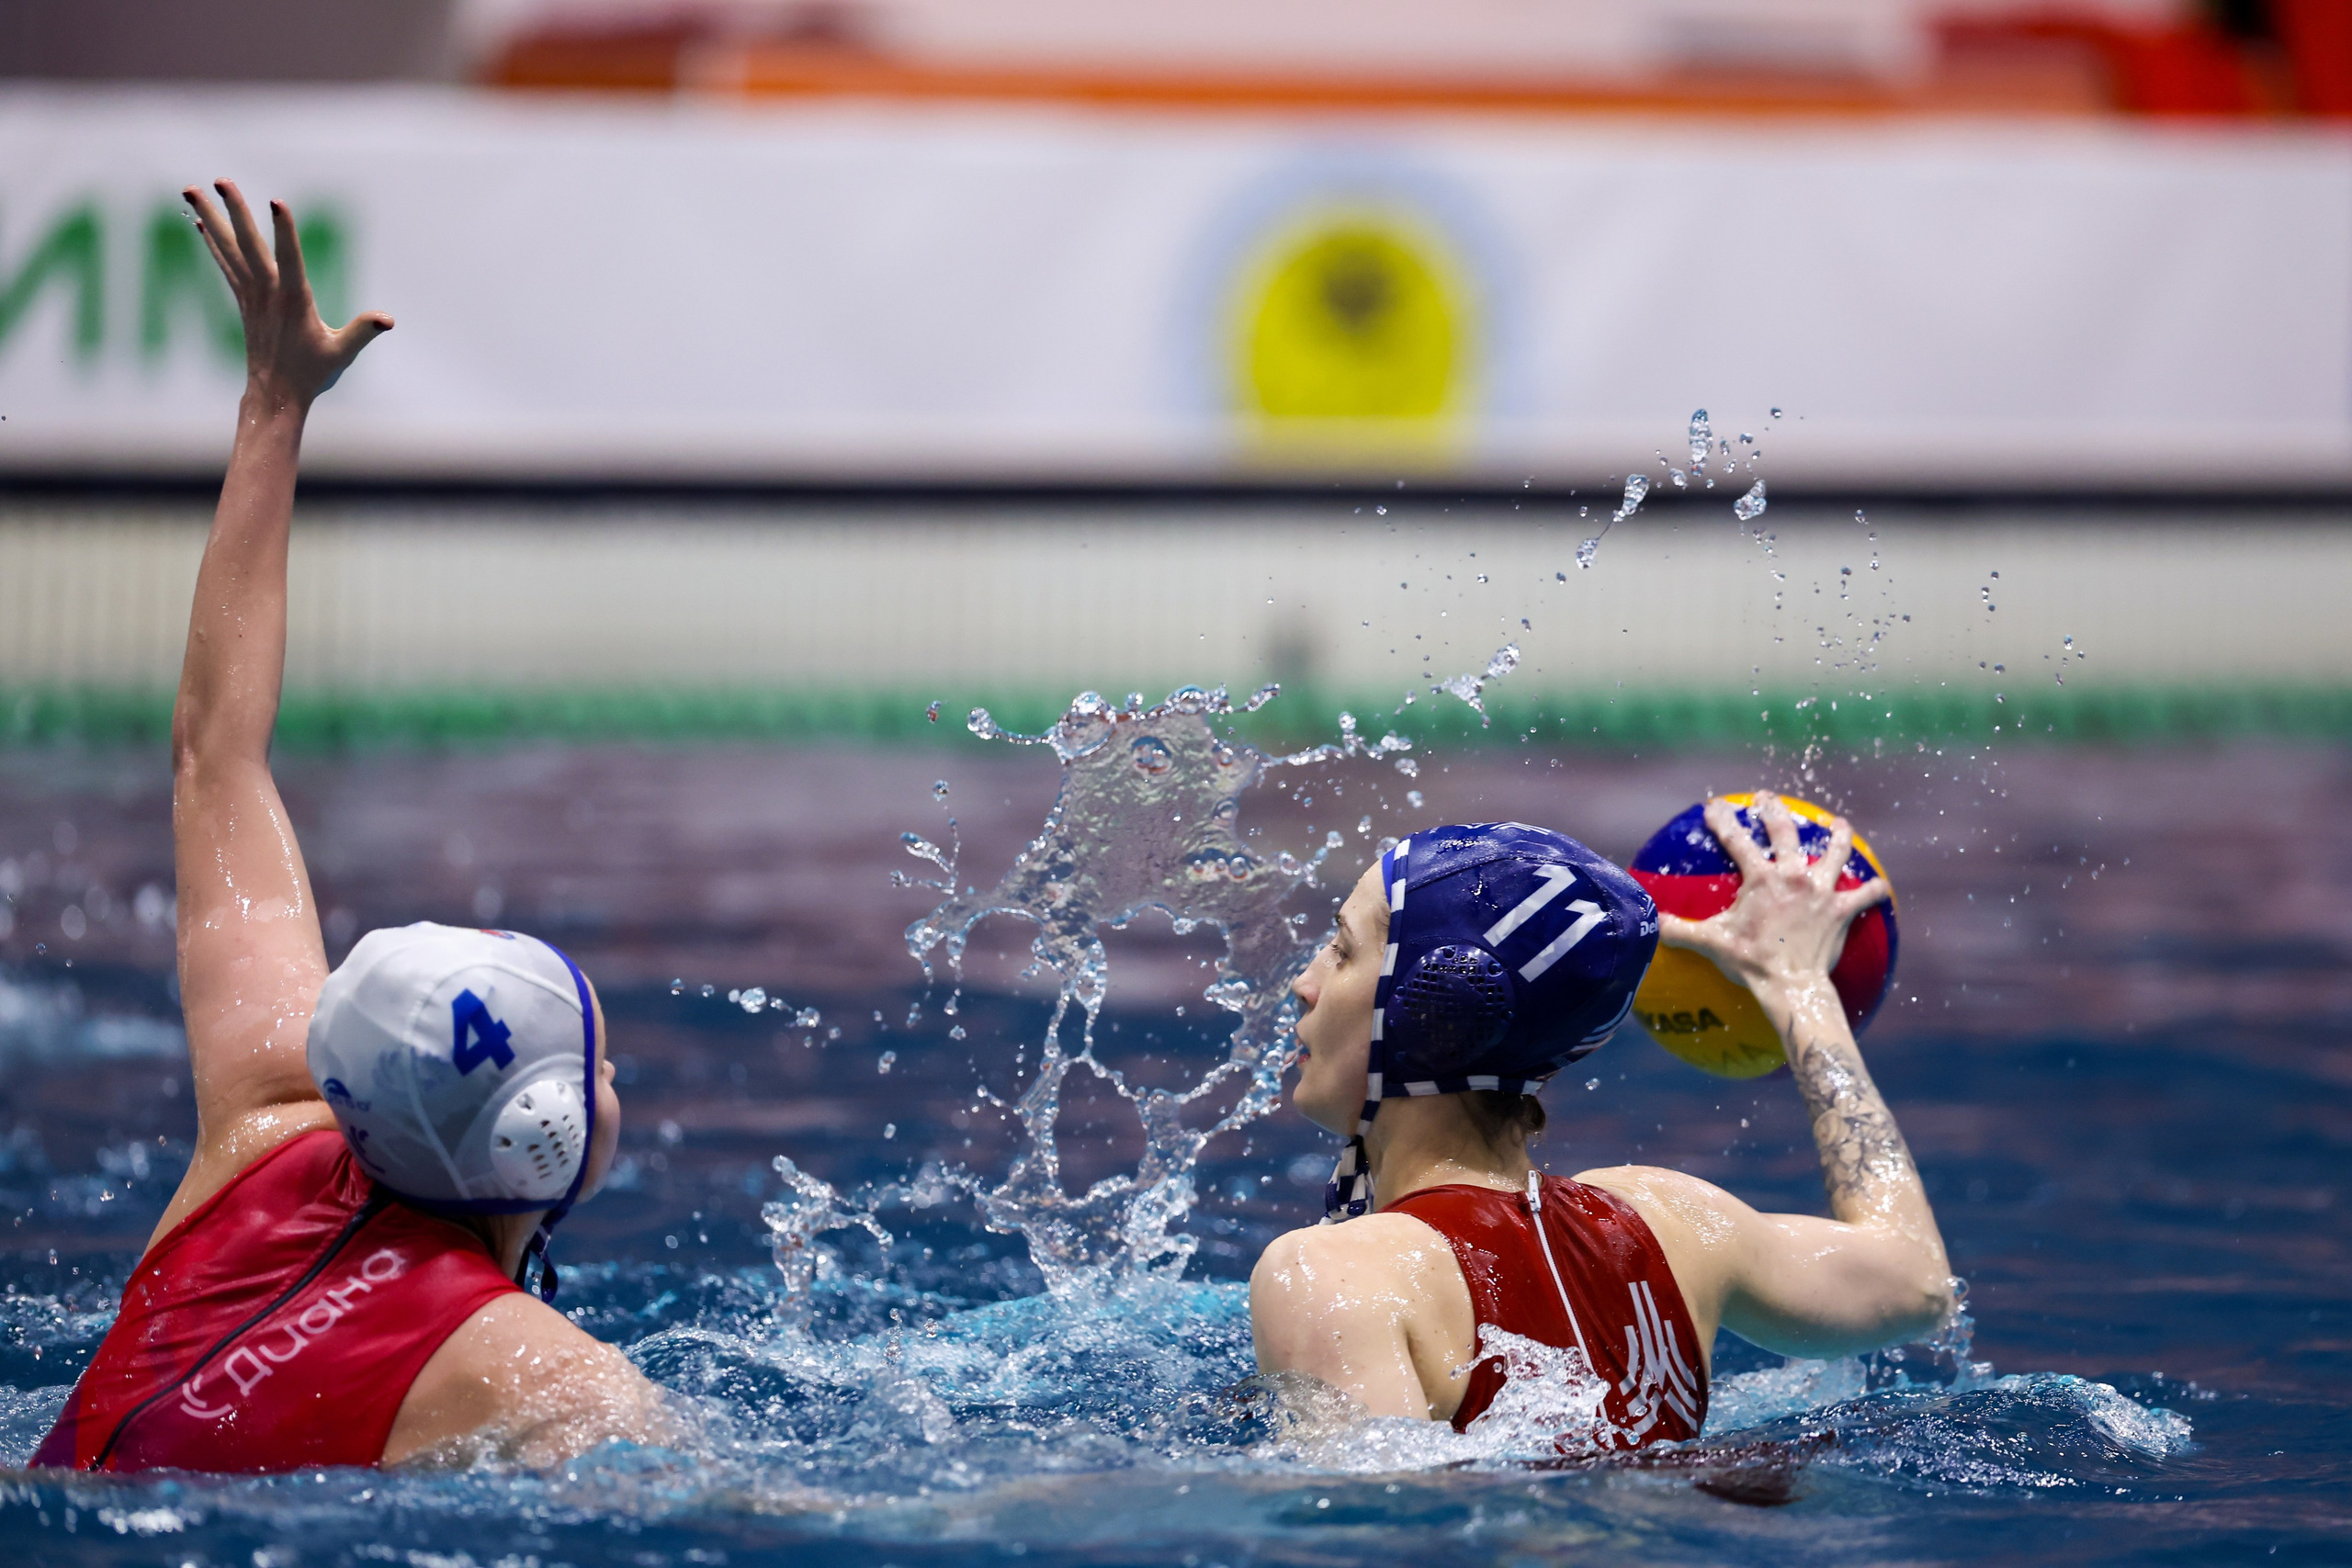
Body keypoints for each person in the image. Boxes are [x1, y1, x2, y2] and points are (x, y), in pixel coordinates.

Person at [31, 182, 669, 1474]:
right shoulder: (553, 1378)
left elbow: (217, 752)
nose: (615, 1081)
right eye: (594, 1064)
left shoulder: (267, 1120)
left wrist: (274, 404)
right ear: (544, 1129)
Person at [1249, 805, 1953, 1448]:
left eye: (1341, 950)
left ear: (1429, 1011)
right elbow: (1917, 1285)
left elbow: (1373, 1537)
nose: (1303, 983)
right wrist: (1798, 984)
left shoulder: (1329, 1276)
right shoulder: (1674, 1225)